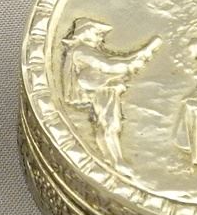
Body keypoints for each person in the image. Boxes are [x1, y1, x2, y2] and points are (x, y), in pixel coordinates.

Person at [62, 18, 162, 167]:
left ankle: (113, 159)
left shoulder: (86, 50)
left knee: (111, 124)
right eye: (97, 33)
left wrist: (136, 58)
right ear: (86, 33)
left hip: (107, 90)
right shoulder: (82, 50)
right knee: (109, 124)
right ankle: (113, 160)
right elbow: (108, 65)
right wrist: (139, 56)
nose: (101, 38)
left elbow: (110, 64)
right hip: (103, 91)